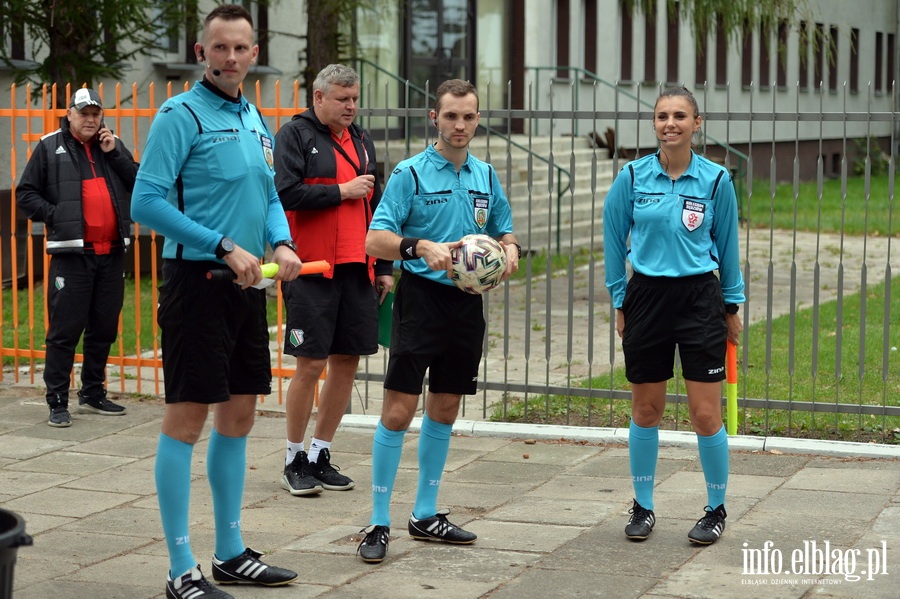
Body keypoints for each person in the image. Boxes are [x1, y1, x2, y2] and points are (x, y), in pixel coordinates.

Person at [130, 5, 303, 598]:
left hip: (246, 291)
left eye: (241, 48)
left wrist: (281, 239)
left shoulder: (254, 115)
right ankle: (181, 569)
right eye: (220, 48)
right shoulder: (179, 114)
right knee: (186, 422)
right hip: (196, 288)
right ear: (202, 53)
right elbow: (146, 203)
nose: (231, 58)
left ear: (255, 54)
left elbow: (268, 193)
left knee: (239, 417)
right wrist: (222, 244)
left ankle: (230, 552)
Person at [358, 79, 520, 563]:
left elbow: (505, 230)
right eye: (451, 115)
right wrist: (417, 247)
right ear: (435, 118)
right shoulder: (410, 173)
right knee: (397, 412)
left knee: (446, 407)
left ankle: (425, 514)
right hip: (422, 301)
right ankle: (379, 520)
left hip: (466, 306)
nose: (460, 125)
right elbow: (374, 239)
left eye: (468, 116)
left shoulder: (485, 175)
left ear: (476, 119)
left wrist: (508, 251)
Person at [603, 85, 745, 546]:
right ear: (654, 123)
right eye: (662, 116)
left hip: (700, 299)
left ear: (696, 124)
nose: (670, 124)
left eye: (680, 116)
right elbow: (612, 237)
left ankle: (715, 508)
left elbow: (727, 248)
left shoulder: (716, 180)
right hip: (646, 298)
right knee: (647, 410)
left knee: (706, 415)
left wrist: (732, 306)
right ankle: (643, 506)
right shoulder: (633, 176)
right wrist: (620, 299)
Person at [273, 64, 394, 497]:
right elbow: (284, 192)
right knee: (310, 363)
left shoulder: (361, 139)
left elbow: (377, 205)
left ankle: (322, 453)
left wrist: (382, 268)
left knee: (347, 362)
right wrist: (341, 191)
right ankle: (293, 457)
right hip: (310, 268)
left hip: (357, 267)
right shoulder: (295, 135)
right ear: (319, 97)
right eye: (342, 99)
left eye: (354, 98)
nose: (351, 106)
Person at [17, 87, 137, 428]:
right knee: (66, 329)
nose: (90, 119)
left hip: (112, 252)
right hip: (72, 255)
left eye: (95, 113)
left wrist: (115, 153)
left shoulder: (111, 145)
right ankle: (57, 400)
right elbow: (26, 193)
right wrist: (56, 214)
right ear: (69, 114)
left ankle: (93, 392)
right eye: (83, 113)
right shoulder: (49, 146)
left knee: (103, 327)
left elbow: (139, 182)